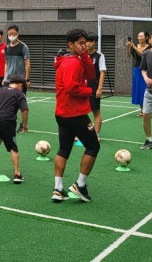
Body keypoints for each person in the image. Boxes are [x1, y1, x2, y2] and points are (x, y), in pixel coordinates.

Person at [51, 29, 99, 203]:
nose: (83, 45)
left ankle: (58, 189)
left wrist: (85, 54)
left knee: (64, 149)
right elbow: (72, 88)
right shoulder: (72, 63)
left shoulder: (70, 59)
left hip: (63, 113)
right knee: (93, 146)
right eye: (80, 43)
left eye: (85, 42)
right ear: (70, 44)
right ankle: (80, 184)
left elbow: (91, 74)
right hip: (75, 113)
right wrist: (89, 91)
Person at [0, 74, 29, 184]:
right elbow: (25, 111)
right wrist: (25, 125)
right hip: (7, 120)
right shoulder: (19, 93)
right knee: (13, 146)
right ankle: (17, 174)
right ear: (20, 85)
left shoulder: (1, 90)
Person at [3, 24, 30, 132]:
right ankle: (9, 122)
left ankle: (24, 125)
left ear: (17, 34)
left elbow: (27, 63)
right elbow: (6, 63)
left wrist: (26, 79)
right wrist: (4, 77)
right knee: (7, 102)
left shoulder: (23, 47)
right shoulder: (6, 48)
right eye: (10, 34)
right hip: (8, 80)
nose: (11, 35)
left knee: (21, 104)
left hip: (19, 81)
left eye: (14, 34)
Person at [85, 32, 106, 138]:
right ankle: (82, 134)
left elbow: (102, 72)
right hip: (81, 88)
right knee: (81, 112)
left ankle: (96, 134)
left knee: (96, 112)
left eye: (91, 41)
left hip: (93, 87)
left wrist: (100, 88)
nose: (88, 44)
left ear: (95, 42)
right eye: (86, 41)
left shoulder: (99, 56)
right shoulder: (81, 55)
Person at [126, 31, 150, 116]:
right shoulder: (135, 46)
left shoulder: (149, 47)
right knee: (139, 90)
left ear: (146, 38)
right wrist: (128, 47)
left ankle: (147, 110)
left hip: (147, 70)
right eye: (138, 36)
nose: (139, 38)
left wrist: (134, 47)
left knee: (145, 90)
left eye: (141, 36)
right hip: (137, 69)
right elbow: (129, 55)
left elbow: (143, 55)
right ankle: (143, 110)